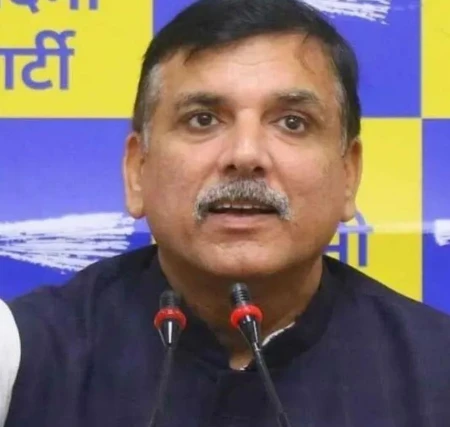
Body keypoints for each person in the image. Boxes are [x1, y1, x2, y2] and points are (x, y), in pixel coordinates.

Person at [1, 0, 450, 425]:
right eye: (203, 119)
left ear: (348, 175)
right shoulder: (21, 357)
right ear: (137, 171)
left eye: (292, 122)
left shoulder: (436, 369)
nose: (245, 155)